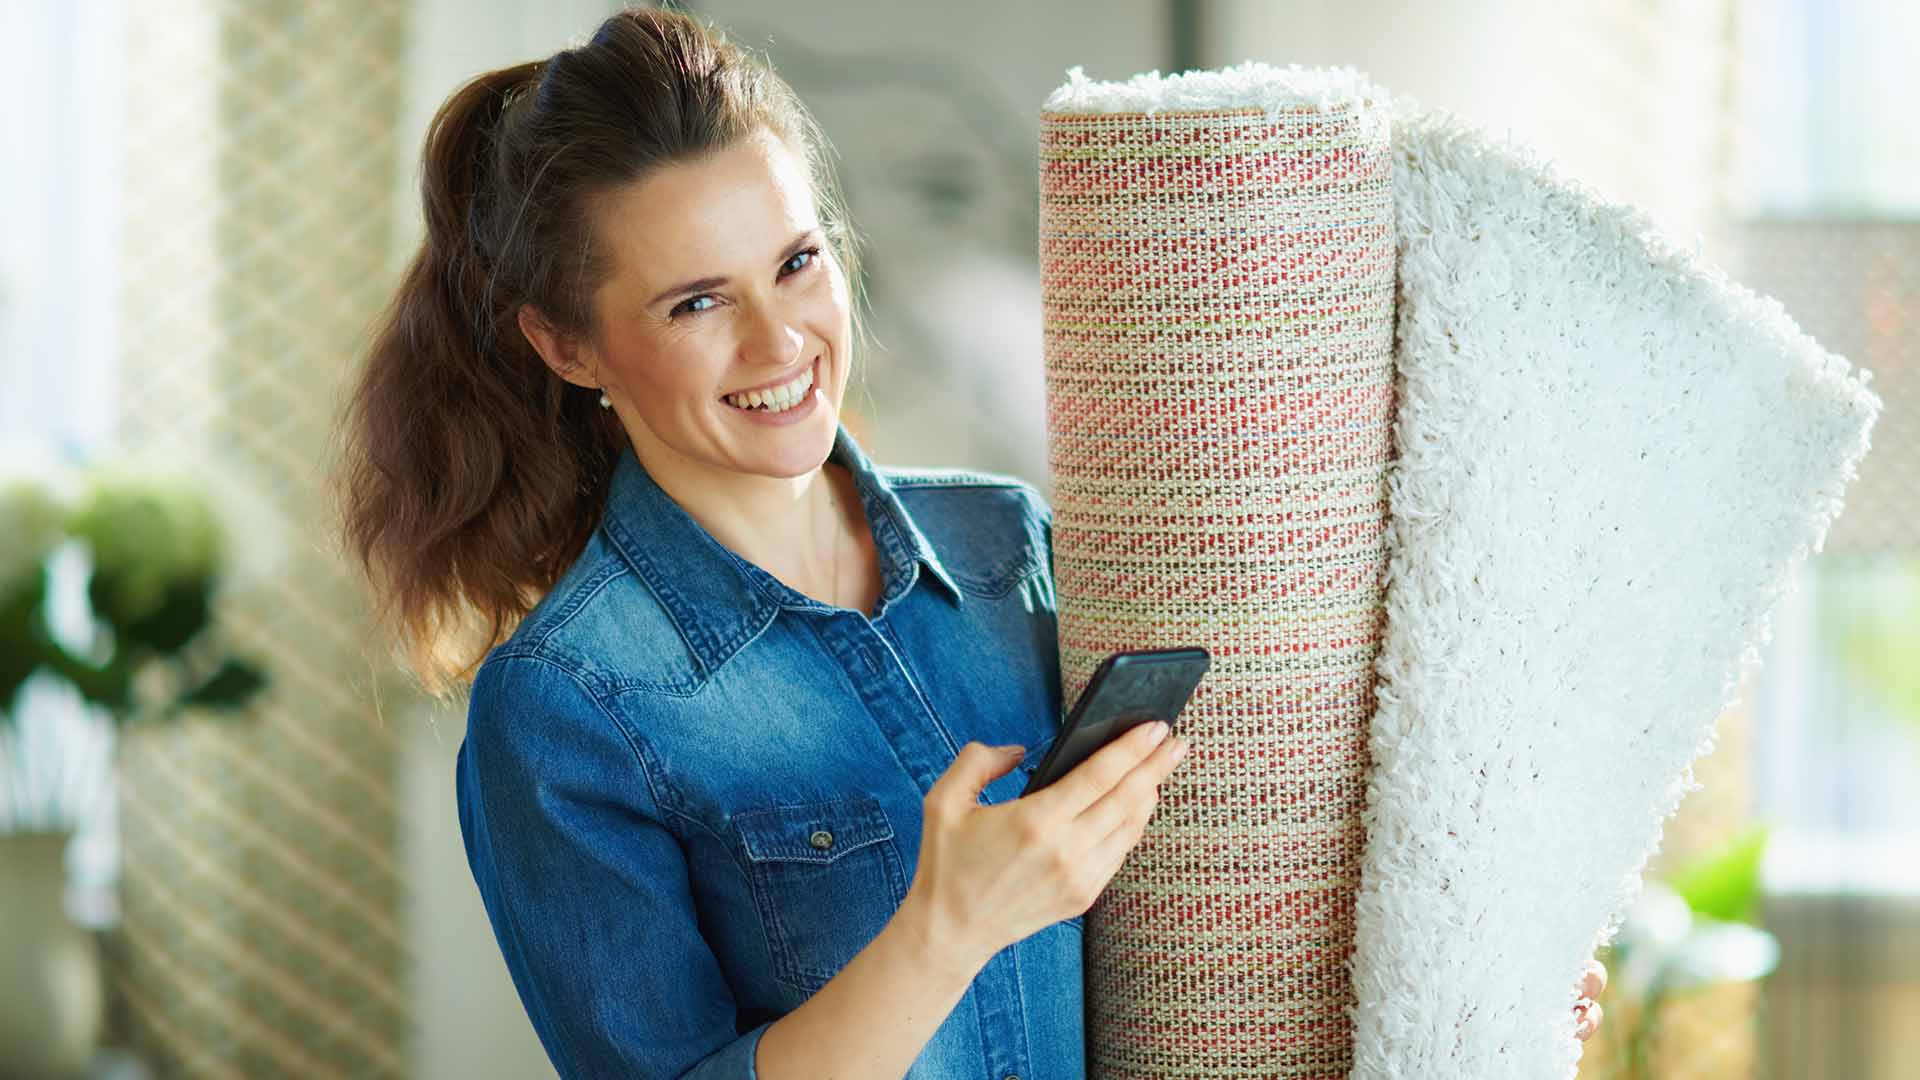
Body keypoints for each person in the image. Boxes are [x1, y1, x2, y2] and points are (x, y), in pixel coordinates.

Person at [331, 6, 1604, 1077]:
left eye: (796, 263)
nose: (780, 343)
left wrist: (1462, 994)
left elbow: (1205, 921)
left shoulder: (1009, 544)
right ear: (569, 346)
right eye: (698, 301)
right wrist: (944, 932)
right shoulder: (567, 706)